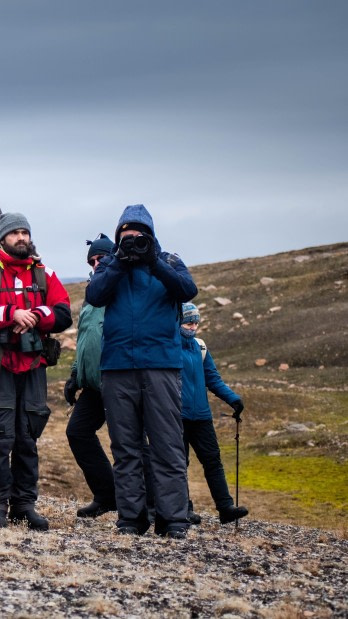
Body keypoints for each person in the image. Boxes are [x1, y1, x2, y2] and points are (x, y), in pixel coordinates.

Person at [85, 204, 198, 538]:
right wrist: (120, 261)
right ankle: (131, 519)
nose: (132, 241)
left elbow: (187, 290)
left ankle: (173, 520)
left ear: (150, 235)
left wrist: (153, 262)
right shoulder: (110, 265)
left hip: (161, 365)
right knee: (125, 447)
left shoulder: (169, 261)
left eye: (138, 236)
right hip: (117, 366)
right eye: (126, 236)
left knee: (167, 445)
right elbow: (94, 296)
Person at [0, 212, 71, 530]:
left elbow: (64, 313)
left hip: (33, 366)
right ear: (2, 239)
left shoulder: (45, 273)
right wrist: (10, 314)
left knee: (27, 437)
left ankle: (24, 505)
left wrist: (35, 315)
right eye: (15, 233)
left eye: (25, 232)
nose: (21, 237)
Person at [179, 303, 249, 525]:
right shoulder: (168, 346)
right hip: (175, 415)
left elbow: (213, 379)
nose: (193, 327)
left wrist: (233, 399)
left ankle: (225, 508)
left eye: (196, 323)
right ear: (178, 321)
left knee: (213, 461)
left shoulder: (200, 347)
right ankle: (183, 509)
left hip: (201, 416)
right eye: (189, 323)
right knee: (179, 464)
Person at [64, 234, 118, 517]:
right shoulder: (91, 293)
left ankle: (153, 504)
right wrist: (75, 375)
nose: (96, 263)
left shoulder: (121, 287)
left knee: (130, 443)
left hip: (118, 379)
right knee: (77, 432)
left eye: (102, 257)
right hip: (94, 385)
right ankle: (107, 496)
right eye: (92, 260)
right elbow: (85, 339)